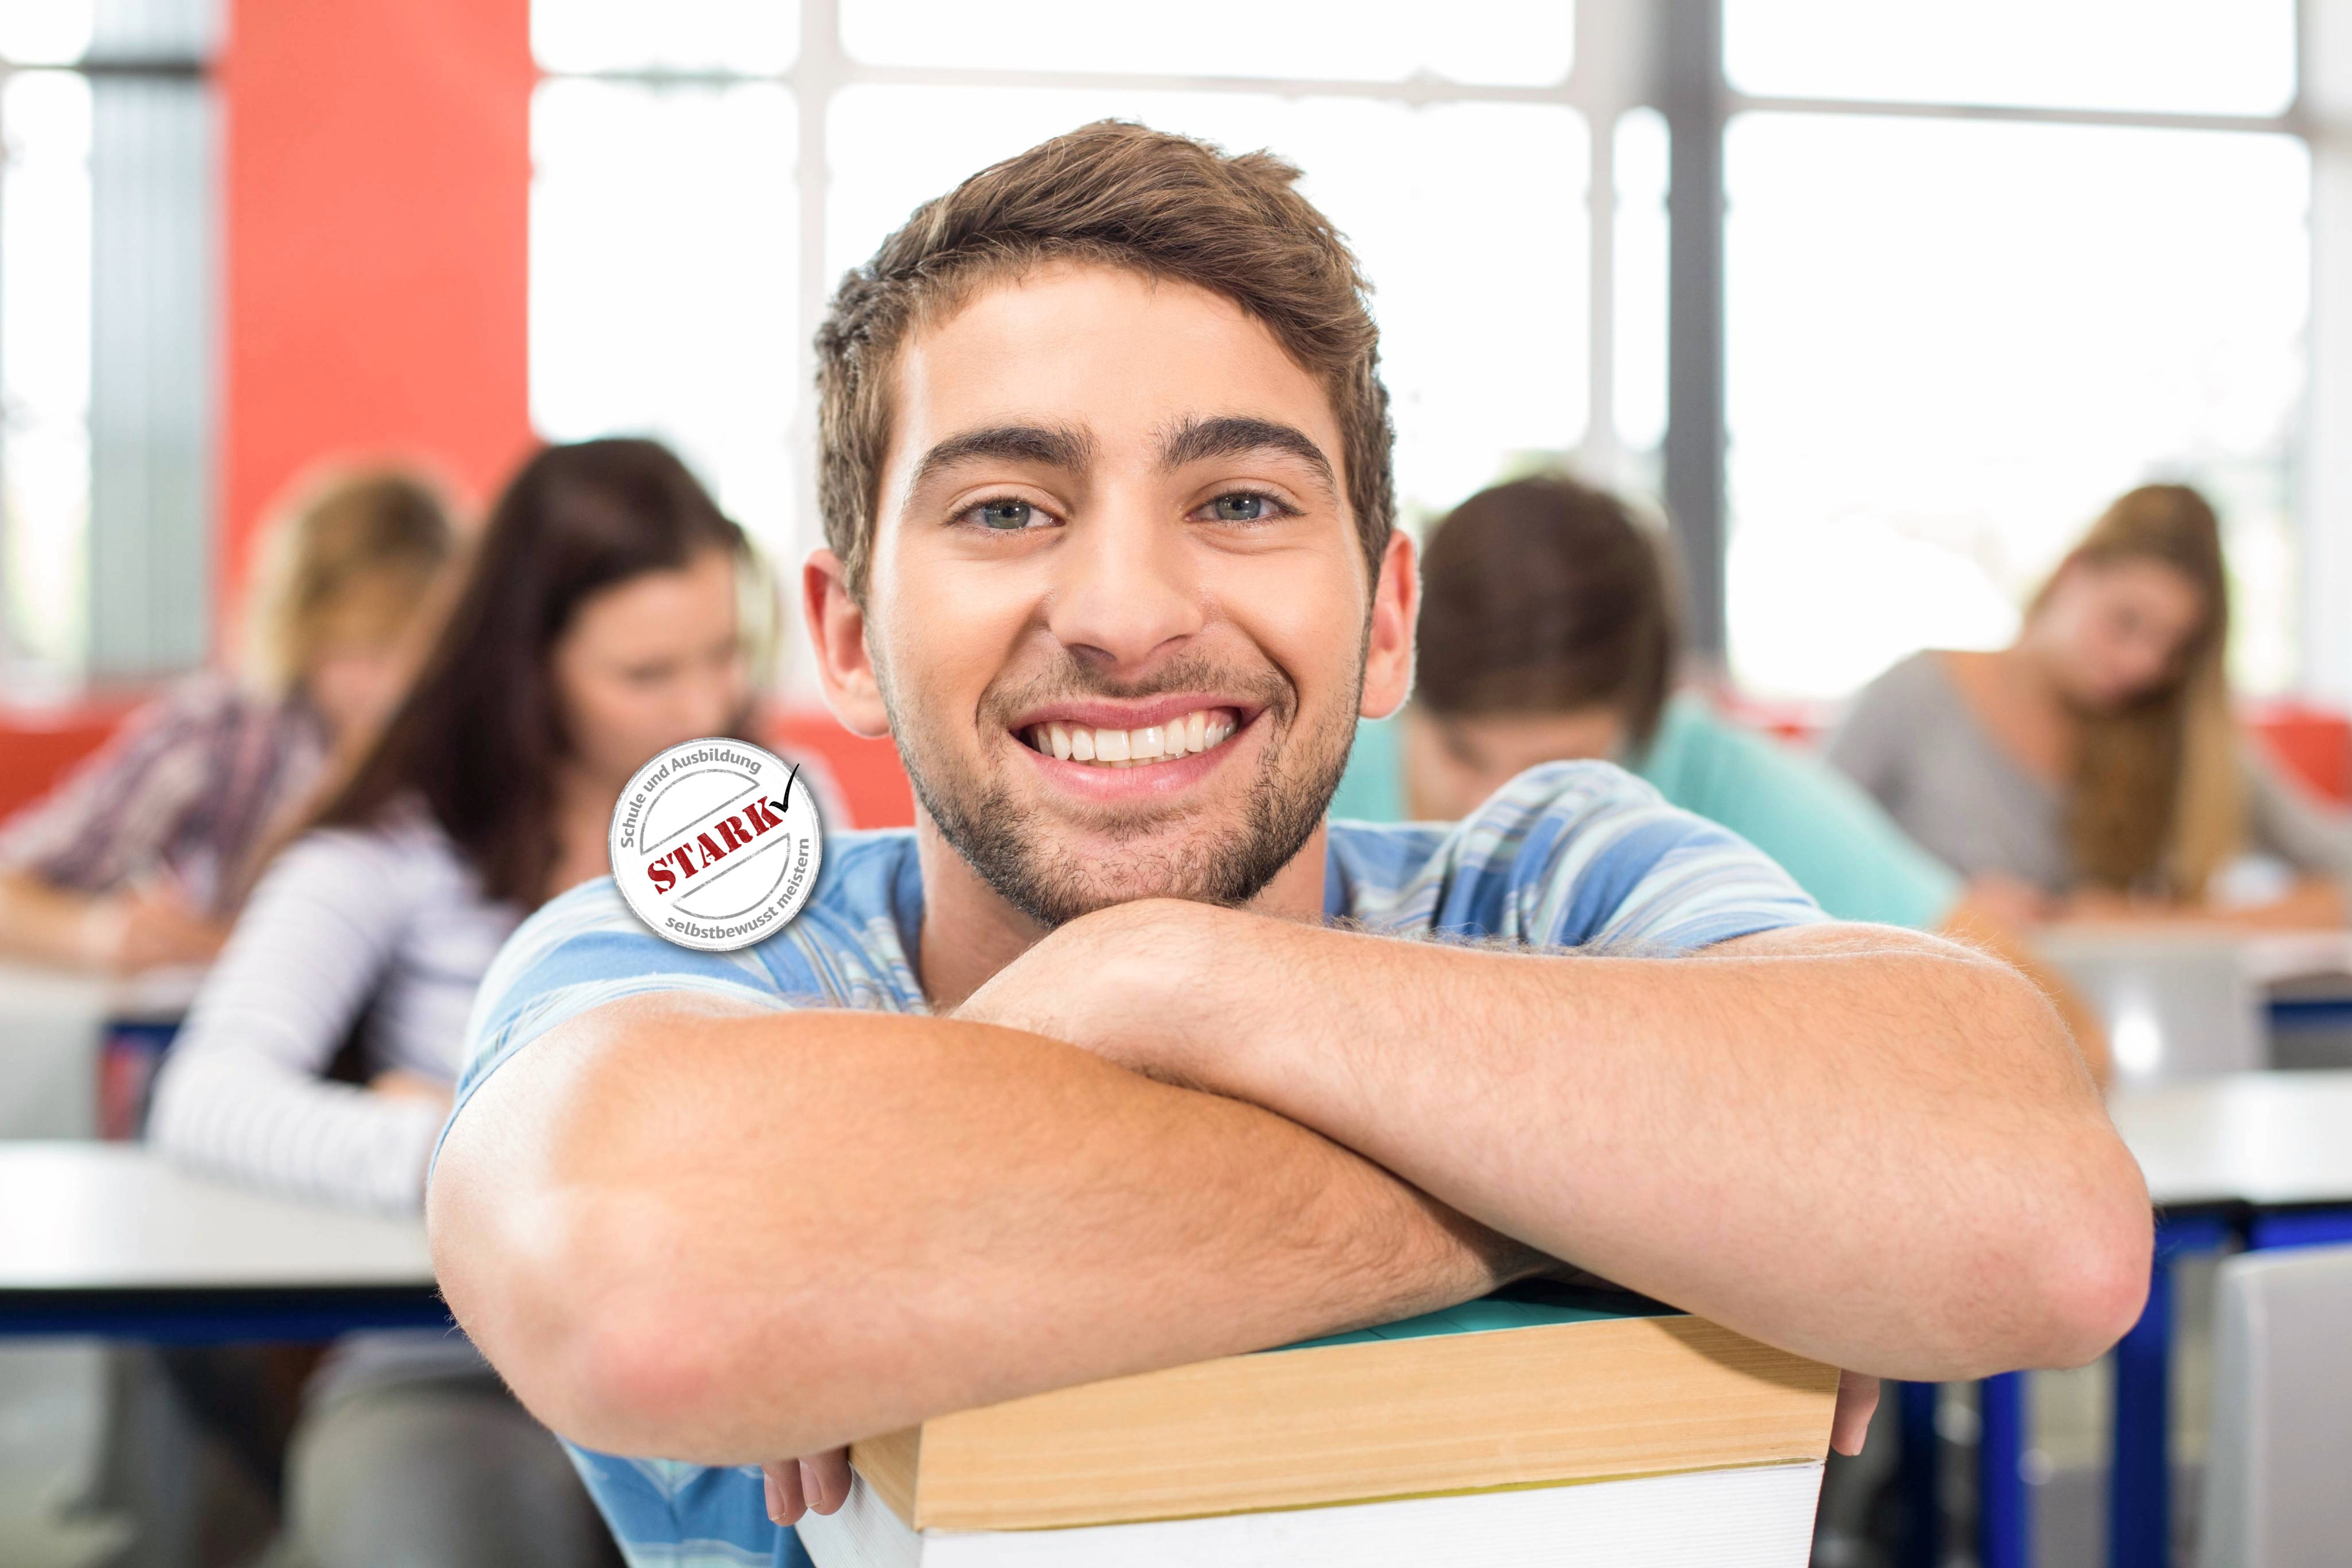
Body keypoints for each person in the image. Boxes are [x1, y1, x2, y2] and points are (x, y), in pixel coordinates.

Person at [427, 123, 2151, 1564]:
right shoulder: (713, 948)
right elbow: (654, 1291)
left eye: (1241, 501)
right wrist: (1641, 1197)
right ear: (851, 634)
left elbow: (2042, 1222)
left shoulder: (1553, 877)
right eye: (1007, 507)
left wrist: (1172, 979)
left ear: (1387, 616)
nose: (1121, 611)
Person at [147, 437, 772, 1568]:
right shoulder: (391, 844)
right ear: (525, 668)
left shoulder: (776, 814)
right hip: (453, 1370)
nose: (703, 709)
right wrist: (480, 1150)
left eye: (725, 658)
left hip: (754, 1357)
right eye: (645, 675)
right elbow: (205, 1096)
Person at [1352, 472, 2108, 1080]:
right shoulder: (1321, 771)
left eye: (1554, 774)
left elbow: (2056, 1036)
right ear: (1393, 677)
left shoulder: (1714, 779)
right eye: (1461, 755)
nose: (1499, 811)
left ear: (1647, 730)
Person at [1829, 483, 2352, 925]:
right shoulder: (1916, 694)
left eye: (2174, 649)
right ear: (2072, 574)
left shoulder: (2179, 730)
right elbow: (1786, 861)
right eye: (2126, 622)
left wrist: (2151, 925)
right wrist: (1938, 908)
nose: (2143, 665)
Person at [0, 468, 456, 971]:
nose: (392, 685)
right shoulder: (222, 732)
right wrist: (98, 934)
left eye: (418, 654)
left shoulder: (480, 743)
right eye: (365, 652)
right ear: (302, 636)